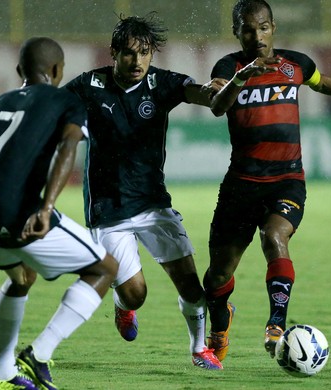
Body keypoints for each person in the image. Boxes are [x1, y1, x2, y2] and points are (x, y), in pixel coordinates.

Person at [0, 37, 120, 390]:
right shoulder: (64, 100)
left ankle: (2, 373)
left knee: (21, 278)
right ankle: (38, 354)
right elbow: (69, 145)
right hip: (19, 216)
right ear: (57, 70)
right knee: (105, 268)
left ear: (18, 72)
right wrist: (47, 207)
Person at [202, 0, 331, 362]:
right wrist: (244, 77)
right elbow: (217, 105)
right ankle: (221, 320)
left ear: (272, 27)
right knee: (216, 277)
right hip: (241, 186)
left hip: (286, 180)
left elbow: (321, 82)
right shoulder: (229, 67)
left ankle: (276, 325)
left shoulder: (296, 64)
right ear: (236, 32)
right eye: (246, 29)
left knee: (275, 236)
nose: (255, 35)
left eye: (261, 27)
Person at [63, 14, 224, 370]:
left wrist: (216, 92)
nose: (137, 61)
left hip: (153, 204)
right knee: (137, 294)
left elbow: (196, 93)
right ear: (114, 53)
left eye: (145, 53)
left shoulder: (160, 83)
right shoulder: (90, 85)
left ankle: (199, 350)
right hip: (108, 209)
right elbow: (52, 107)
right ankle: (124, 307)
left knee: (189, 284)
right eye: (129, 54)